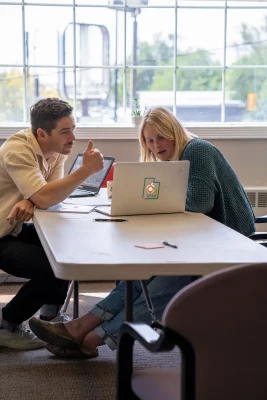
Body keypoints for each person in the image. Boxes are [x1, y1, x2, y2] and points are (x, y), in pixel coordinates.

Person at [29, 106, 255, 358]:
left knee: (165, 283)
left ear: (174, 132)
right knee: (139, 275)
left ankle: (91, 339)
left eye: (161, 137)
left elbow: (200, 202)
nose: (156, 145)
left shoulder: (197, 149)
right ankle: (78, 327)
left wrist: (149, 199)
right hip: (202, 238)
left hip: (231, 243)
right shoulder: (176, 158)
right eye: (149, 140)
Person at [0, 97, 104, 351]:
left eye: (73, 129)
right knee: (55, 267)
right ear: (42, 134)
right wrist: (85, 171)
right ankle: (6, 324)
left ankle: (51, 318)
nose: (72, 137)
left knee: (66, 250)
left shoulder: (54, 152)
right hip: (1, 233)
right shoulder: (17, 150)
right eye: (64, 131)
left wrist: (32, 202)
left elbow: (51, 198)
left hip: (12, 226)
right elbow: (47, 195)